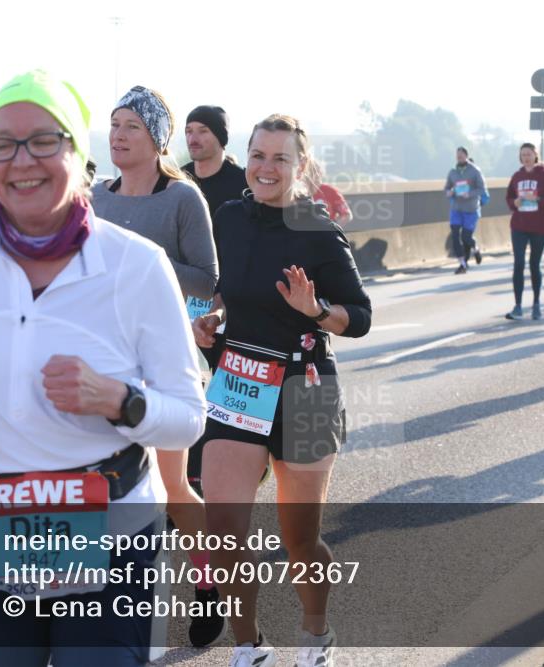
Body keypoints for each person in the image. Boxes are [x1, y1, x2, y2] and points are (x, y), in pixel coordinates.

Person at [0, 69, 206, 665]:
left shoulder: (137, 265)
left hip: (112, 539)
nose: (22, 161)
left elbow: (189, 417)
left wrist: (121, 401)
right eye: (2, 144)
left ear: (77, 150)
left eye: (44, 140)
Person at [192, 114, 371, 667]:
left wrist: (315, 310)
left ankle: (316, 634)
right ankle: (249, 646)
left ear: (300, 166)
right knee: (221, 531)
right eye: (258, 156)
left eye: (279, 159)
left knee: (300, 542)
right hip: (240, 381)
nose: (266, 168)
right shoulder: (227, 217)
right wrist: (214, 317)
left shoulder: (316, 227)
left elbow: (359, 316)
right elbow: (226, 289)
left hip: (306, 389)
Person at [90, 85, 224, 648]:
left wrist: (149, 263)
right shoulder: (98, 197)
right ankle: (94, 602)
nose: (118, 136)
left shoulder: (182, 198)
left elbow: (208, 278)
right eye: (115, 125)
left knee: (172, 487)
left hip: (166, 362)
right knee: (97, 485)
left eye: (131, 128)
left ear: (155, 139)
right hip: (103, 361)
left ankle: (209, 584)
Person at [504, 143, 544, 320]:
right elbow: (509, 198)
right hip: (519, 225)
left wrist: (537, 199)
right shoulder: (517, 176)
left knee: (534, 264)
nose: (526, 157)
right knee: (518, 263)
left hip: (540, 226)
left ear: (536, 155)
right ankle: (518, 306)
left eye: (529, 154)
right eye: (523, 154)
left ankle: (536, 304)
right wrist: (515, 203)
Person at [183, 105, 248, 220]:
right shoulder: (178, 180)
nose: (192, 139)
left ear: (221, 137)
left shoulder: (244, 186)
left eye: (203, 131)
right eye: (189, 131)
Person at [444, 147, 486, 274]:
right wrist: (449, 192)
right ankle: (462, 264)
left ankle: (476, 249)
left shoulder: (475, 171)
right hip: (456, 208)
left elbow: (482, 189)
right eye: (457, 156)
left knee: (466, 236)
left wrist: (470, 194)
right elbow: (446, 188)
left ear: (466, 156)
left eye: (461, 156)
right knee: (455, 235)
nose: (459, 158)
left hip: (470, 209)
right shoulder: (452, 172)